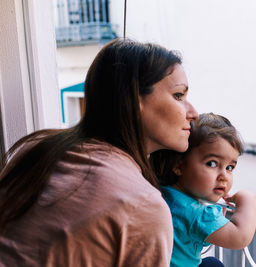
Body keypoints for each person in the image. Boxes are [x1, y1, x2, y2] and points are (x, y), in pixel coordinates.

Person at [0, 38, 198, 266]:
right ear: (134, 100)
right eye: (178, 96)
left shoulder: (39, 147)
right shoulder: (142, 206)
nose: (193, 113)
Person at [150, 113, 256, 267]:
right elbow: (240, 237)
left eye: (230, 167)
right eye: (212, 164)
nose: (224, 176)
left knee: (211, 263)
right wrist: (248, 199)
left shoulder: (159, 192)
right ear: (178, 165)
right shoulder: (196, 213)